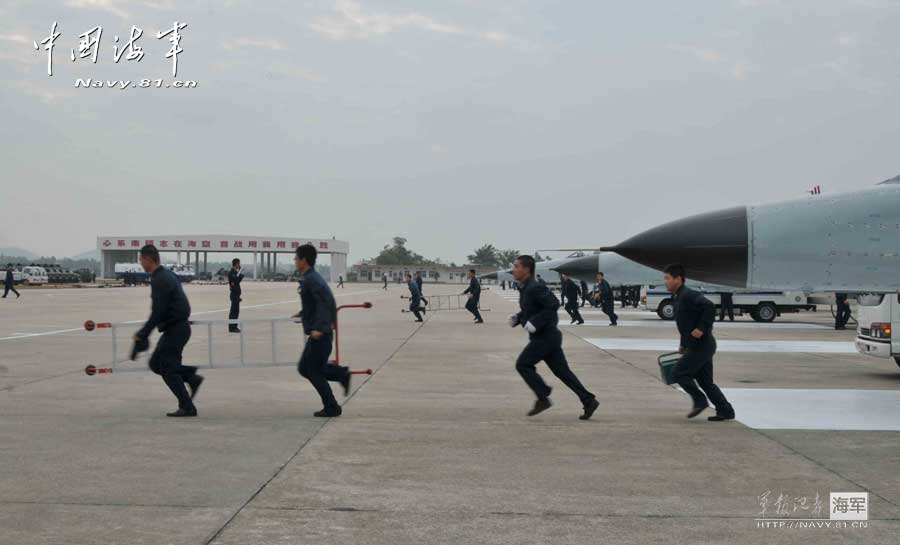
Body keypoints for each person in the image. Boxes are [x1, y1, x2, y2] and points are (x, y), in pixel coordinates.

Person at [507, 256, 599, 419]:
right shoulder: (526, 288)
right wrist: (519, 317)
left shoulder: (535, 287)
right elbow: (533, 309)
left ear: (526, 269)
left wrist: (536, 322)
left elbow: (553, 304)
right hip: (548, 338)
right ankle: (588, 400)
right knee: (563, 372)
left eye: (516, 266)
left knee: (523, 364)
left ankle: (543, 395)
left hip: (545, 338)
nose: (513, 269)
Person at [134, 245, 203, 417]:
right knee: (156, 363)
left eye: (141, 260)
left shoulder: (160, 279)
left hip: (176, 329)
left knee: (167, 369)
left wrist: (142, 334)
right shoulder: (166, 274)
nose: (141, 263)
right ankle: (191, 377)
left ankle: (187, 406)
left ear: (148, 259)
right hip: (177, 328)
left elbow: (157, 312)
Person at [664, 264, 735, 422]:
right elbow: (685, 324)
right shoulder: (678, 297)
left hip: (702, 345)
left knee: (678, 373)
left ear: (678, 279)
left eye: (668, 278)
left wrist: (702, 328)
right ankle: (726, 410)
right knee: (705, 381)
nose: (665, 282)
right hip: (698, 345)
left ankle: (700, 401)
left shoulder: (688, 294)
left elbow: (709, 306)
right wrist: (683, 344)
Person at [293, 244, 350, 418]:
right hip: (318, 333)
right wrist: (303, 314)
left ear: (304, 260)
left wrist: (320, 328)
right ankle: (341, 373)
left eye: (296, 258)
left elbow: (326, 304)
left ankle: (332, 406)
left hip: (321, 334)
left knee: (313, 370)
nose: (295, 261)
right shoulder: (308, 278)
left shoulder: (312, 279)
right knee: (304, 368)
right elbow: (314, 304)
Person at [227, 258, 243, 333]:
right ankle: (232, 327)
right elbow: (236, 281)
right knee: (233, 312)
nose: (239, 265)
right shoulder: (232, 272)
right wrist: (240, 275)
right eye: (238, 264)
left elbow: (237, 280)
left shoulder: (235, 272)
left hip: (236, 295)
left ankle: (234, 326)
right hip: (234, 295)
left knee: (236, 311)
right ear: (236, 264)